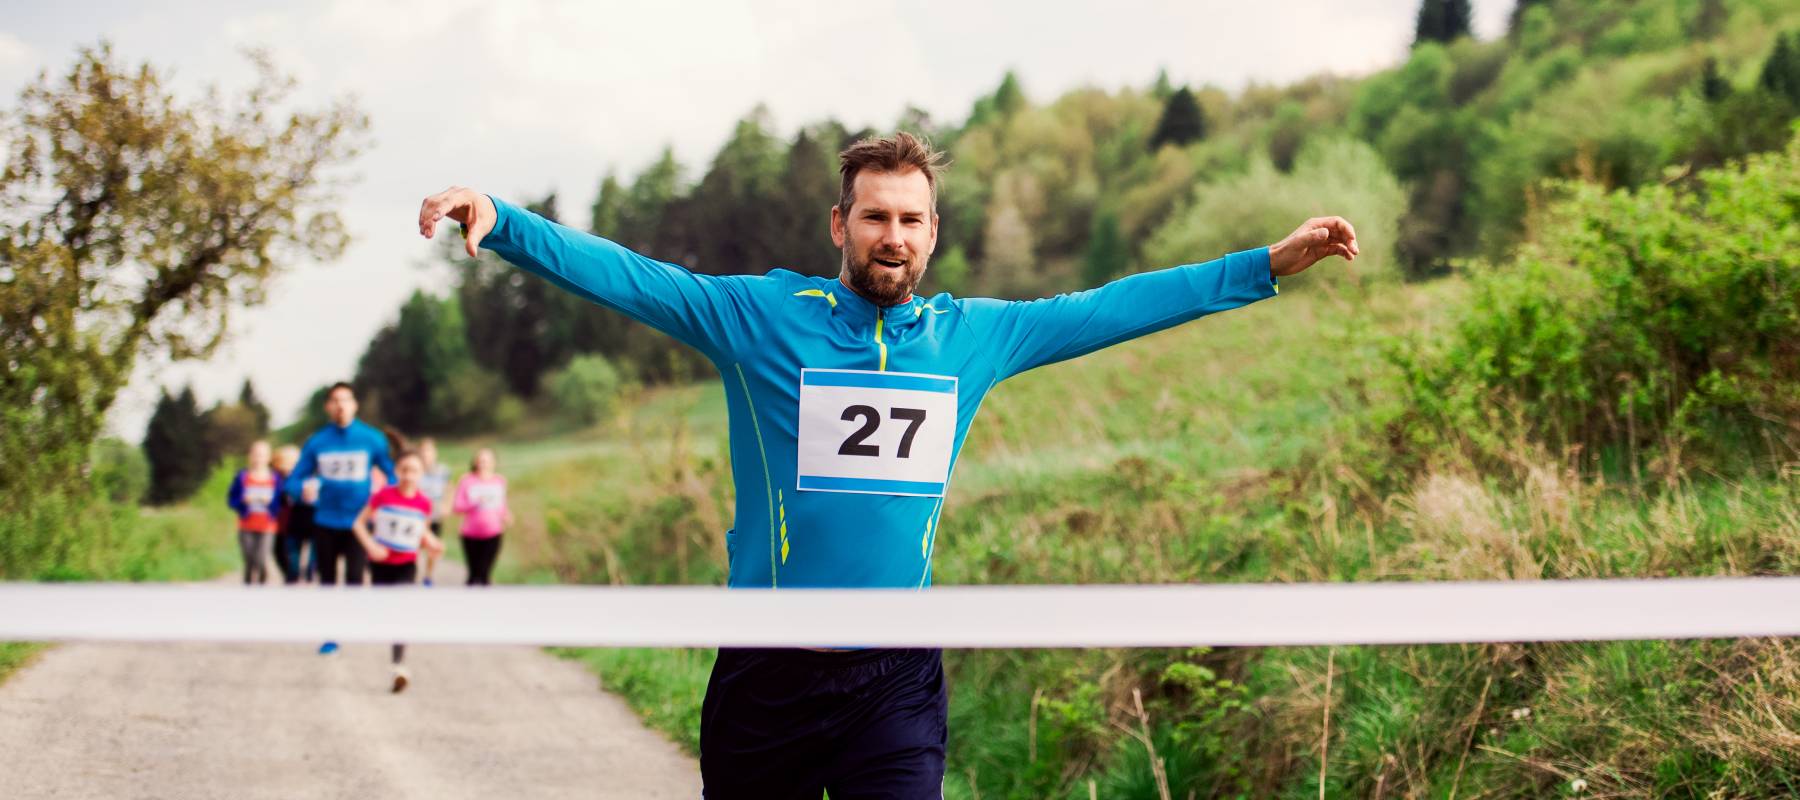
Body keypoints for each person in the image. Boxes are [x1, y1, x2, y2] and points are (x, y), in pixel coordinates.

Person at [417, 132, 1356, 798]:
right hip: (768, 672)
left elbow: (1115, 306)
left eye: (911, 220)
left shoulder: (973, 339)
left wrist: (1263, 265)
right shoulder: (756, 317)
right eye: (875, 218)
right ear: (840, 224)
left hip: (895, 677)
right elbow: (627, 274)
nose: (893, 237)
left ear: (934, 233)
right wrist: (502, 223)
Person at [350, 449, 444, 693]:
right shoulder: (383, 496)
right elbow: (358, 523)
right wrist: (371, 546)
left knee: (401, 615)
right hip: (380, 565)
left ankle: (398, 666)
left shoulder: (424, 502)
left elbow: (419, 529)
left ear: (422, 474)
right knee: (385, 613)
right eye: (404, 470)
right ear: (396, 471)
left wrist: (432, 542)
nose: (408, 476)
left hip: (406, 565)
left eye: (414, 471)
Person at [284, 382, 394, 588]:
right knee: (327, 582)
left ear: (355, 405)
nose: (340, 405)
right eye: (335, 401)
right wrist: (301, 490)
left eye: (345, 400)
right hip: (325, 521)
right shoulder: (317, 442)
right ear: (328, 407)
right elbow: (293, 481)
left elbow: (392, 475)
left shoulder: (372, 439)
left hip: (358, 523)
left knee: (355, 580)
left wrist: (384, 504)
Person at [450, 447, 511, 586]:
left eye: (487, 461)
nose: (483, 464)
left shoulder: (499, 481)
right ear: (475, 463)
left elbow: (501, 505)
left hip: (493, 533)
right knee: (473, 574)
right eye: (480, 461)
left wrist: (506, 515)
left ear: (494, 463)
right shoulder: (466, 480)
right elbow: (457, 507)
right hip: (470, 535)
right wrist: (476, 502)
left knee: (485, 574)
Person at [225, 440, 281, 585]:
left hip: (267, 526)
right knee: (249, 562)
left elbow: (281, 502)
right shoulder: (242, 477)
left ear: (269, 457)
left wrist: (271, 502)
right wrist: (243, 501)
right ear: (249, 456)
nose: (258, 458)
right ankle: (248, 589)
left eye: (262, 455)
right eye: (255, 455)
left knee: (261, 560)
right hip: (246, 526)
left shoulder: (275, 478)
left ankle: (262, 582)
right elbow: (231, 500)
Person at [273, 444, 316, 584]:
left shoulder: (308, 476)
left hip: (308, 519)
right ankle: (292, 576)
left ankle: (309, 573)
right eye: (286, 461)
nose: (290, 465)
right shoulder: (276, 479)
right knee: (285, 554)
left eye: (294, 461)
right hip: (285, 524)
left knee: (311, 554)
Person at [416, 438, 452, 586]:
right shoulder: (415, 470)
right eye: (423, 450)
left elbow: (449, 489)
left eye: (429, 450)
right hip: (417, 517)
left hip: (435, 515)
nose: (426, 454)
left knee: (433, 548)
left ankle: (428, 576)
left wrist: (447, 505)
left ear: (435, 453)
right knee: (415, 547)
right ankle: (413, 573)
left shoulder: (443, 471)